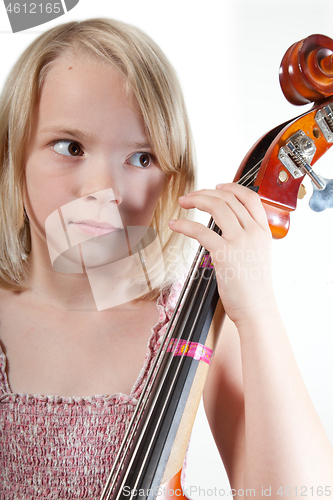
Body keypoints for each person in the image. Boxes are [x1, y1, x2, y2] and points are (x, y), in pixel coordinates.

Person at [0, 18, 332, 500]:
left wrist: (258, 312)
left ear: (171, 176)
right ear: (14, 157)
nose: (100, 189)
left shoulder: (196, 324)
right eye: (70, 147)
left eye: (140, 158)